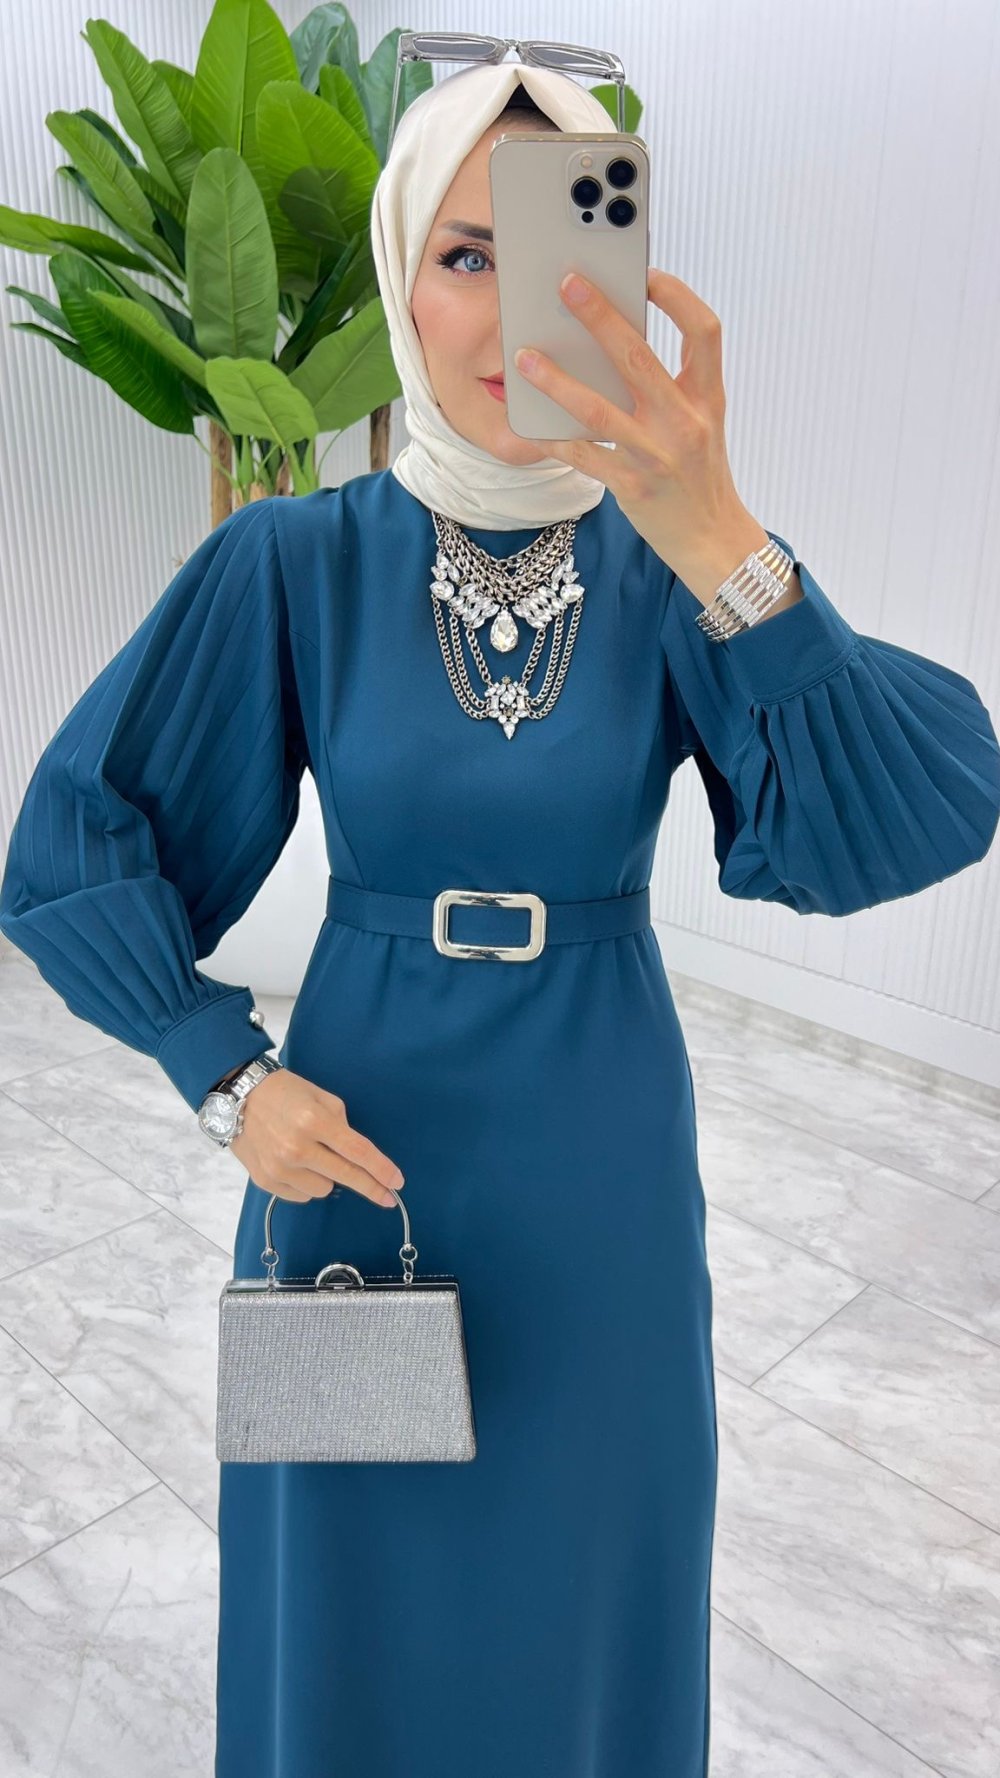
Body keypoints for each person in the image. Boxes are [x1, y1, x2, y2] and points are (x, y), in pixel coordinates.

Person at [2, 57, 999, 1778]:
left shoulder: (676, 572)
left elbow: (913, 809)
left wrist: (724, 535)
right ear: (401, 280)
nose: (507, 301)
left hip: (599, 1154)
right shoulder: (296, 561)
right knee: (353, 1571)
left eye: (546, 250)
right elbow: (78, 839)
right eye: (463, 253)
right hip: (355, 1133)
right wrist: (223, 1075)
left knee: (587, 1562)